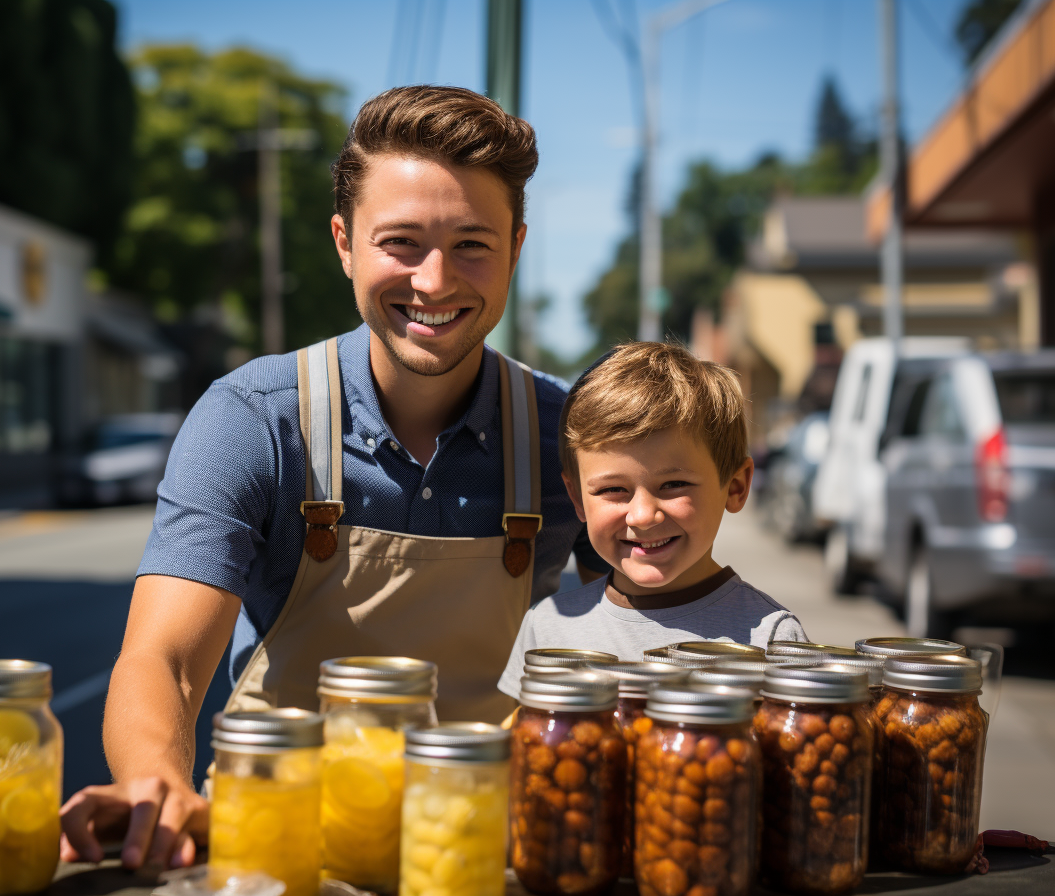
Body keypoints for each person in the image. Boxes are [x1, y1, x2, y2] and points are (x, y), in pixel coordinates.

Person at [58, 85, 607, 871]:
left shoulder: (568, 434)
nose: (435, 280)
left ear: (517, 248)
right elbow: (165, 660)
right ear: (344, 243)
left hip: (480, 858)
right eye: (402, 242)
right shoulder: (251, 420)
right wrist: (157, 787)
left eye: (473, 245)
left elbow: (639, 629)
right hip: (276, 853)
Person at [497, 341, 807, 696]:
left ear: (735, 487)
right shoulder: (547, 630)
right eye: (613, 489)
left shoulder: (774, 643)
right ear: (576, 498)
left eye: (674, 484)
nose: (643, 516)